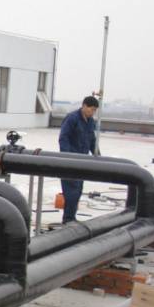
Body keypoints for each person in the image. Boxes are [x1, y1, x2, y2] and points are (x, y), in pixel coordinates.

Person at [58, 95, 99, 223]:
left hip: (82, 162)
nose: (93, 112)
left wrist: (97, 155)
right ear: (84, 106)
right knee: (71, 192)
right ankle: (68, 220)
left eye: (95, 110)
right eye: (92, 109)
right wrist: (68, 157)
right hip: (70, 162)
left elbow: (92, 140)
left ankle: (71, 218)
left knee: (78, 191)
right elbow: (63, 138)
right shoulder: (72, 119)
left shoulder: (90, 121)